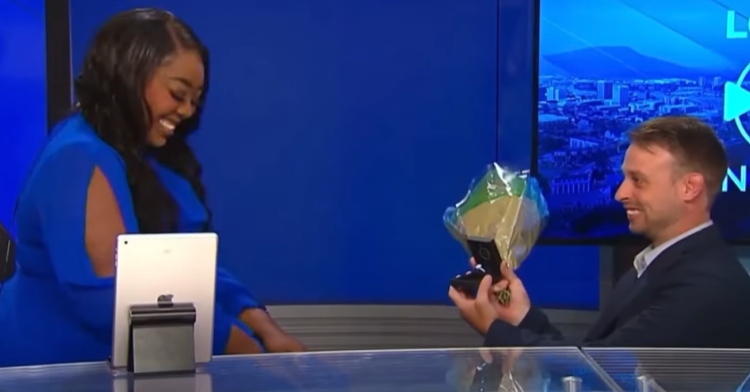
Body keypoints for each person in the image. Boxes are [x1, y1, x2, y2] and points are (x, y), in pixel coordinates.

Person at [0, 8, 305, 367]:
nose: (188, 109)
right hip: (49, 370)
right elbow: (108, 302)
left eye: (195, 98)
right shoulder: (79, 158)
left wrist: (264, 327)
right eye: (178, 93)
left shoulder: (152, 156)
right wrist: (243, 349)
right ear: (130, 75)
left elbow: (189, 267)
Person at [449, 116, 750, 348]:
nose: (620, 193)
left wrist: (495, 330)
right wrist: (521, 317)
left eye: (638, 180)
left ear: (690, 187)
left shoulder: (705, 285)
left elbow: (604, 375)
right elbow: (595, 356)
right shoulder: (656, 267)